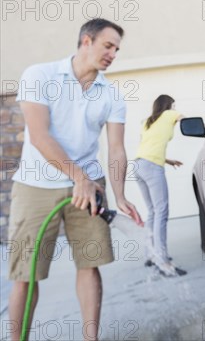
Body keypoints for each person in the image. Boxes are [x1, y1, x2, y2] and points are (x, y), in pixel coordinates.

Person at [8, 18, 143, 341]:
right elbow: (39, 136)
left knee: (90, 263)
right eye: (107, 46)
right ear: (86, 40)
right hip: (36, 186)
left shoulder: (111, 94)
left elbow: (115, 149)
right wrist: (78, 177)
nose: (113, 54)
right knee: (26, 274)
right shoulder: (39, 75)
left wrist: (120, 195)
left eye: (117, 49)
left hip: (89, 186)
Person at [134, 94, 186, 277]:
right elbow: (187, 120)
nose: (174, 108)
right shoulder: (169, 115)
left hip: (139, 165)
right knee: (161, 211)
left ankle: (150, 255)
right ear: (168, 105)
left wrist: (169, 161)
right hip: (152, 166)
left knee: (152, 211)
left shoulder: (147, 121)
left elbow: (150, 147)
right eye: (173, 105)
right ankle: (163, 261)